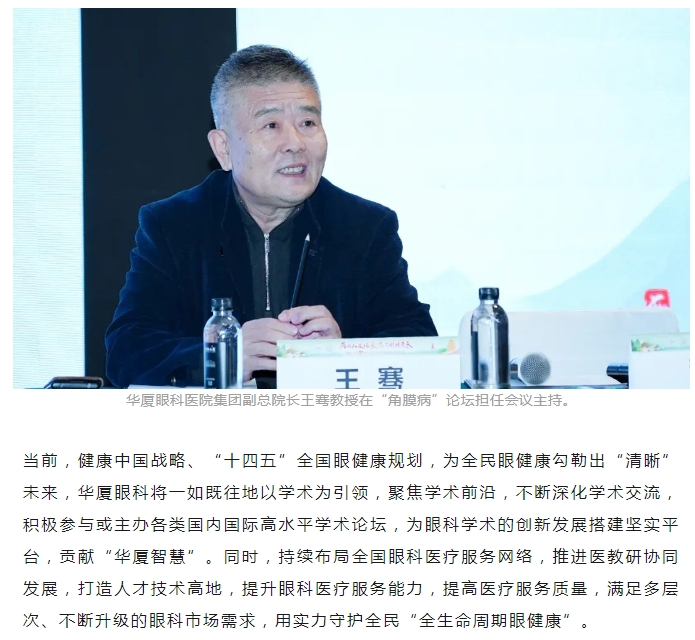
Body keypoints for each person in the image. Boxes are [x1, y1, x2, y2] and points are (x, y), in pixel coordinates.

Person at [105, 45, 437, 388]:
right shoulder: (174, 225)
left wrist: (343, 352)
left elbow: (419, 342)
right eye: (271, 125)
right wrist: (222, 357)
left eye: (308, 122)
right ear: (223, 148)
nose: (296, 143)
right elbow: (127, 349)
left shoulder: (364, 227)